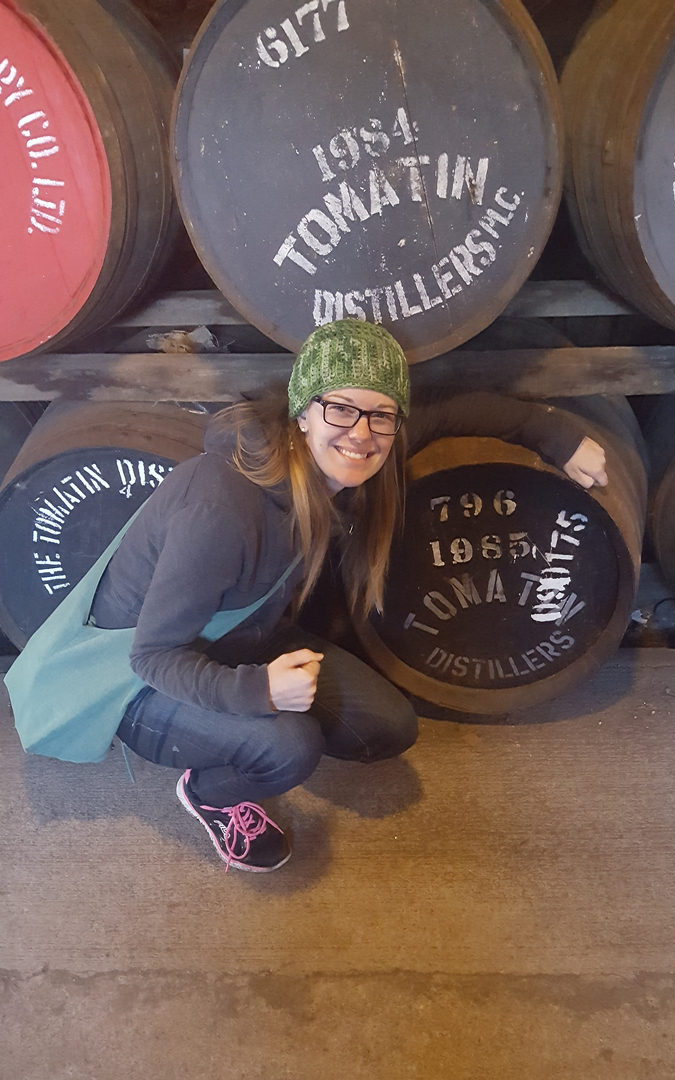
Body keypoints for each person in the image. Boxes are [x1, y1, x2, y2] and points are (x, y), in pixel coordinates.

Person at [89, 318, 607, 875]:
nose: (361, 432)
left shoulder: (356, 459)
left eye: (381, 414)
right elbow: (152, 657)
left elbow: (460, 411)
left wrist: (558, 437)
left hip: (241, 633)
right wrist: (257, 690)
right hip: (134, 683)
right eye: (340, 408)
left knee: (388, 727)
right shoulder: (223, 507)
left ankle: (246, 733)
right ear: (303, 413)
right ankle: (212, 790)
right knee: (290, 746)